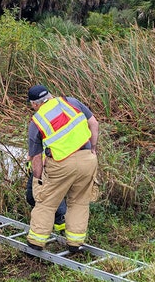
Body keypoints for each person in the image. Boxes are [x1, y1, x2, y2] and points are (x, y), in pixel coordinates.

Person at [25, 84, 99, 252]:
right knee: (79, 202)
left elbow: (36, 157)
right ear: (49, 96)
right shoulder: (71, 102)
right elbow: (94, 123)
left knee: (47, 202)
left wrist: (38, 179)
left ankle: (36, 241)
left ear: (35, 104)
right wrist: (93, 148)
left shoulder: (37, 121)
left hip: (61, 164)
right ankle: (75, 243)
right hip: (88, 159)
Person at [25, 155, 67, 234]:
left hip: (50, 166)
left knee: (52, 195)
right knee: (31, 197)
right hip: (38, 167)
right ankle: (54, 222)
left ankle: (61, 223)